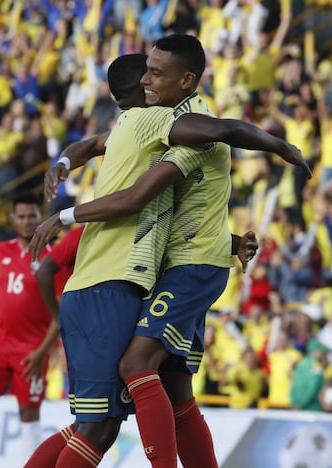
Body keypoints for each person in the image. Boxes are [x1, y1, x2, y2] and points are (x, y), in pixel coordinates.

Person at [27, 41, 310, 468]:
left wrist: (279, 146)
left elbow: (143, 192)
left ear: (186, 80)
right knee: (159, 396)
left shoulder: (181, 124)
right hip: (157, 270)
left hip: (184, 268)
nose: (147, 80)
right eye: (146, 72)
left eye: (156, 73)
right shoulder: (151, 121)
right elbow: (116, 162)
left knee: (129, 379)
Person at [0, 192, 61, 467]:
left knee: (28, 415)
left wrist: (42, 352)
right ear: (12, 219)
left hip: (31, 350)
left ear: (40, 216)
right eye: (20, 216)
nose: (25, 222)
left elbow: (61, 314)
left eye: (31, 216)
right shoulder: (1, 250)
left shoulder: (53, 258)